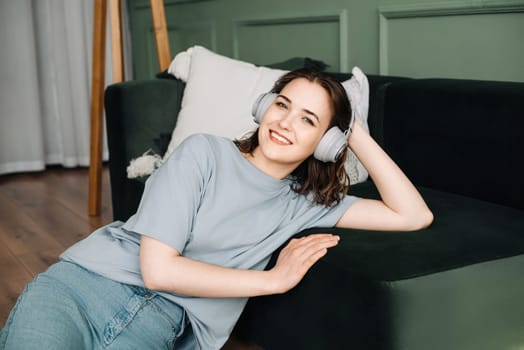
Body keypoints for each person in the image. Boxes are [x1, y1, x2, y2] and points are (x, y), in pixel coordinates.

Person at [0, 68, 433, 350]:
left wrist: (354, 132)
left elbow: (413, 215)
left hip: (164, 321)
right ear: (264, 107)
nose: (284, 122)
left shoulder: (307, 204)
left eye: (308, 119)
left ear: (326, 143)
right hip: (83, 285)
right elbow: (158, 271)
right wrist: (273, 281)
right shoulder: (203, 154)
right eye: (282, 105)